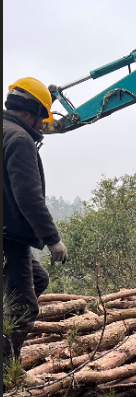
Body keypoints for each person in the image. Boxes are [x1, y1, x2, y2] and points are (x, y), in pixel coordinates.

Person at [3, 78, 67, 370]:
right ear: (30, 112)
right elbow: (28, 196)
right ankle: (7, 372)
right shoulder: (19, 139)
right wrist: (52, 239)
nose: (43, 124)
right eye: (43, 117)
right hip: (9, 237)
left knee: (38, 278)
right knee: (22, 309)